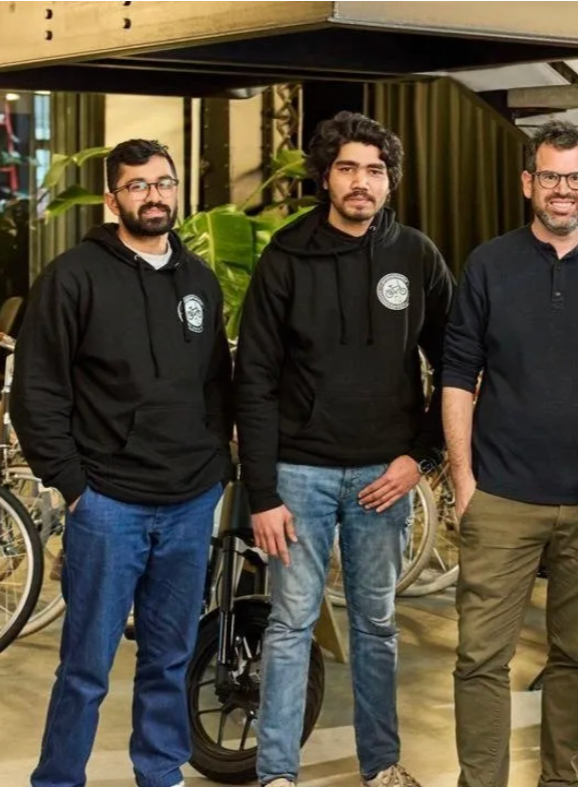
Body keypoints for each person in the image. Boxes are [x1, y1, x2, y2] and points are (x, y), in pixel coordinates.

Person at [235, 111, 453, 788]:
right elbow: (256, 379)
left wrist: (417, 456)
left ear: (389, 182)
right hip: (297, 472)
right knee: (291, 625)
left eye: (375, 171)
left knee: (378, 627)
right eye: (348, 168)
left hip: (382, 477)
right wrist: (262, 493)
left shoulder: (415, 255)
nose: (362, 183)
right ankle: (277, 773)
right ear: (325, 177)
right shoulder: (287, 257)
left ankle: (381, 765)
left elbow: (454, 364)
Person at [12, 139, 233, 787]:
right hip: (109, 504)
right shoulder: (74, 276)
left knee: (169, 657)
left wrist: (213, 466)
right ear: (113, 199)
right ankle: (58, 780)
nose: (154, 195)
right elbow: (38, 391)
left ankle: (159, 774)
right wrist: (76, 487)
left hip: (189, 502)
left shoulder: (197, 279)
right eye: (138, 186)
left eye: (163, 183)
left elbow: (216, 382)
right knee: (85, 665)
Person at [442, 119, 578, 787]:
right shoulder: (488, 263)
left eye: (576, 177)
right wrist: (464, 480)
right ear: (528, 182)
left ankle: (562, 779)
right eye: (551, 176)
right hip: (500, 495)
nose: (564, 190)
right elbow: (456, 376)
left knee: (577, 656)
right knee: (479, 659)